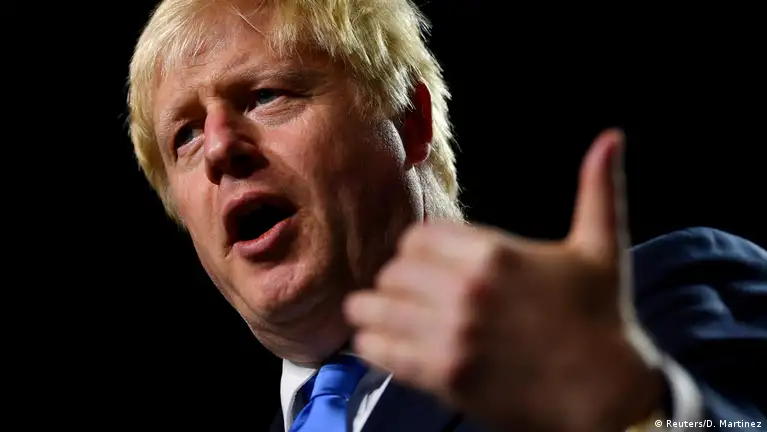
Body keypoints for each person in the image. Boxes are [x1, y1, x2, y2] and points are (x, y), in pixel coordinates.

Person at [127, 0, 766, 430]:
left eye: (266, 95)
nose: (219, 148)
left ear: (409, 119)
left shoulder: (655, 305)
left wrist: (632, 405)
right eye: (185, 135)